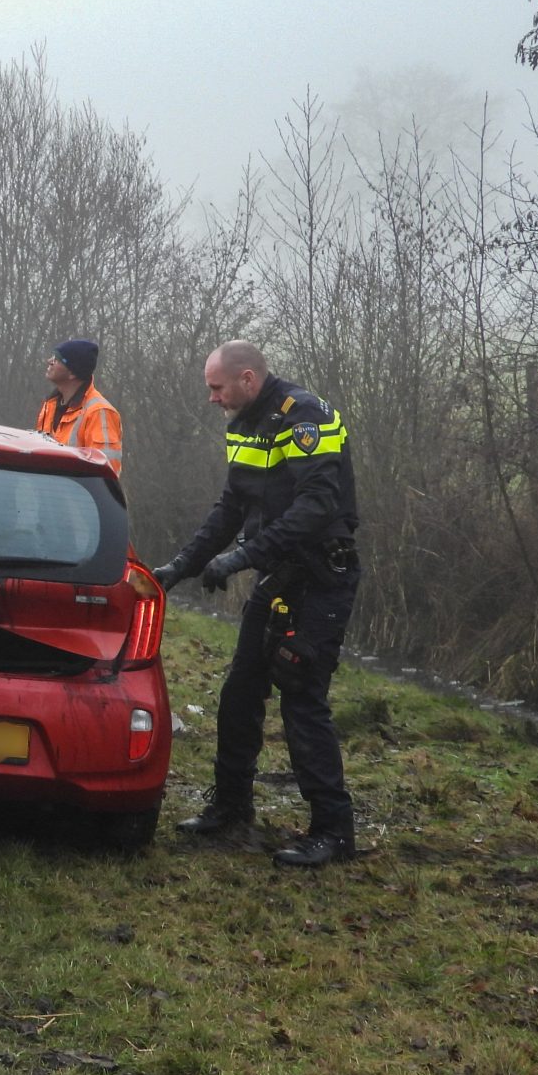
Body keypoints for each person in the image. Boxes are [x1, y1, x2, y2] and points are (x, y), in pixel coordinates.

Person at [152, 340, 362, 868]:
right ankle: (231, 807)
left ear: (248, 379)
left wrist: (243, 557)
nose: (212, 398)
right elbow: (231, 506)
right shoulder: (244, 424)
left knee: (302, 699)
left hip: (319, 579)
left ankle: (333, 832)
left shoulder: (305, 417)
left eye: (217, 387)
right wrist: (183, 566)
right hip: (278, 578)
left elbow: (317, 507)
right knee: (241, 690)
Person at [36, 338, 123, 472]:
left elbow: (106, 473)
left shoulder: (99, 412)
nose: (49, 361)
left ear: (72, 373)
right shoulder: (50, 405)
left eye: (57, 359)